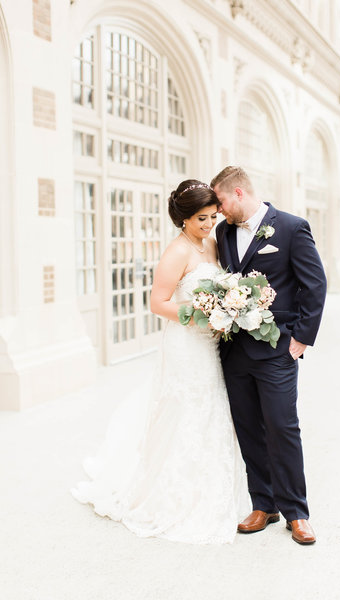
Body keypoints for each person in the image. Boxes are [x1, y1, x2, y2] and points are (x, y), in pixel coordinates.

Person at [71, 179, 251, 544]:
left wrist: (224, 310)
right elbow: (158, 303)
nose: (209, 224)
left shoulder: (212, 243)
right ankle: (172, 494)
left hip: (210, 344)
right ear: (183, 219)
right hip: (186, 344)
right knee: (185, 411)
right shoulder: (176, 252)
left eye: (213, 216)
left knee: (211, 412)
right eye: (201, 218)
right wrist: (199, 311)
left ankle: (207, 486)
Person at [211, 166, 327, 545]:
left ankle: (297, 512)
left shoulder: (292, 228)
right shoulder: (225, 231)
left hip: (278, 348)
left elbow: (314, 284)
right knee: (248, 428)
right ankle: (263, 504)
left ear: (239, 192)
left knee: (282, 427)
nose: (219, 210)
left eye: (222, 201)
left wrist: (301, 339)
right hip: (234, 350)